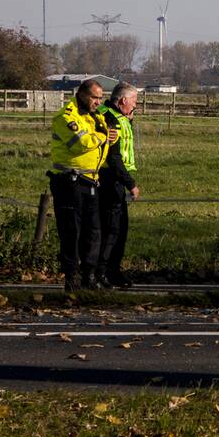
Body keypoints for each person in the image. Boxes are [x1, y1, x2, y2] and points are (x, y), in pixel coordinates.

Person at [48, 79, 117, 292]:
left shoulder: (94, 116)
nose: (98, 102)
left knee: (93, 232)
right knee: (72, 233)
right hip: (69, 182)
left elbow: (101, 139)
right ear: (82, 95)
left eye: (100, 98)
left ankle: (89, 276)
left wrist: (110, 137)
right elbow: (81, 143)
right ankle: (72, 279)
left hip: (91, 181)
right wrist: (104, 136)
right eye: (95, 97)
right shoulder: (66, 117)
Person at [97, 81, 140, 289]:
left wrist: (129, 120)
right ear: (123, 100)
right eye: (134, 102)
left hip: (114, 179)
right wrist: (130, 182)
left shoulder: (119, 116)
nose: (135, 106)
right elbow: (113, 157)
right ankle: (103, 273)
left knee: (119, 229)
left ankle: (112, 271)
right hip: (109, 178)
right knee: (111, 230)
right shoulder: (110, 118)